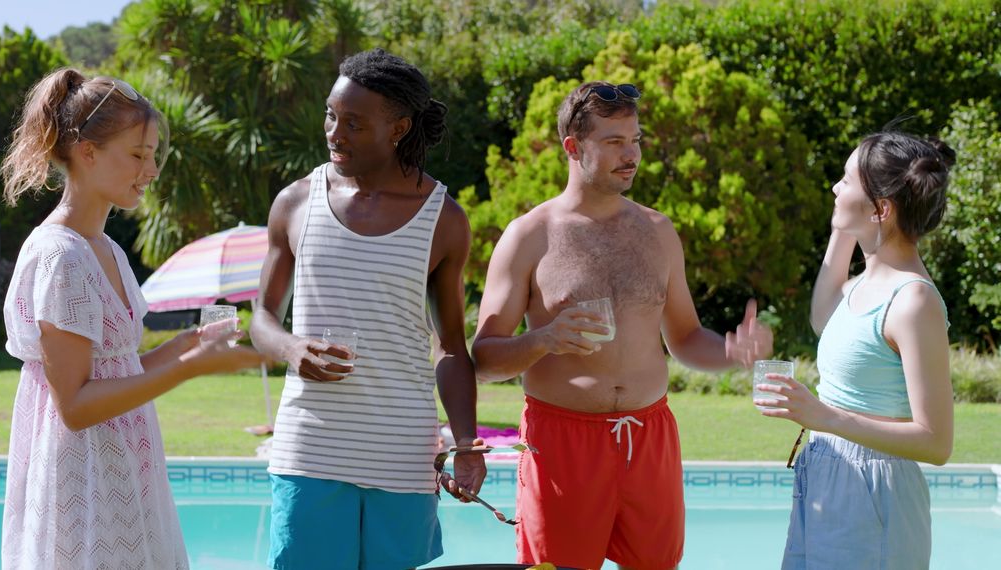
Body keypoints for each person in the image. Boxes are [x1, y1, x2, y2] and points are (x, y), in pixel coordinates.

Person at [471, 81, 773, 570]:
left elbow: (686, 338)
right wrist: (544, 339)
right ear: (573, 147)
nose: (630, 154)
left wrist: (731, 352)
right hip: (562, 443)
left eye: (635, 140)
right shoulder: (530, 236)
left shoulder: (658, 232)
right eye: (614, 142)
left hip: (648, 437)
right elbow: (484, 360)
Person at [0, 68, 266, 569]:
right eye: (138, 155)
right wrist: (189, 368)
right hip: (85, 482)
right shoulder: (61, 256)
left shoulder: (105, 250)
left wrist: (187, 343)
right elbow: (75, 404)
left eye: (153, 156)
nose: (151, 170)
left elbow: (119, 366)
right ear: (87, 152)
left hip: (122, 469)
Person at [249, 48, 485, 570]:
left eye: (354, 123)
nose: (335, 132)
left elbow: (450, 347)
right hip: (309, 450)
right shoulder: (295, 203)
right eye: (332, 116)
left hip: (402, 456)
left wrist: (467, 441)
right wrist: (291, 347)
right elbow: (261, 320)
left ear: (399, 127)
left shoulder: (443, 220)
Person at [755, 130, 956, 569]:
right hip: (827, 478)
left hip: (874, 493)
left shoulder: (912, 301)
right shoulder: (862, 286)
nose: (834, 188)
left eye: (846, 181)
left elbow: (937, 442)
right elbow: (822, 314)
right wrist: (844, 224)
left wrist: (823, 416)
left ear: (881, 209)